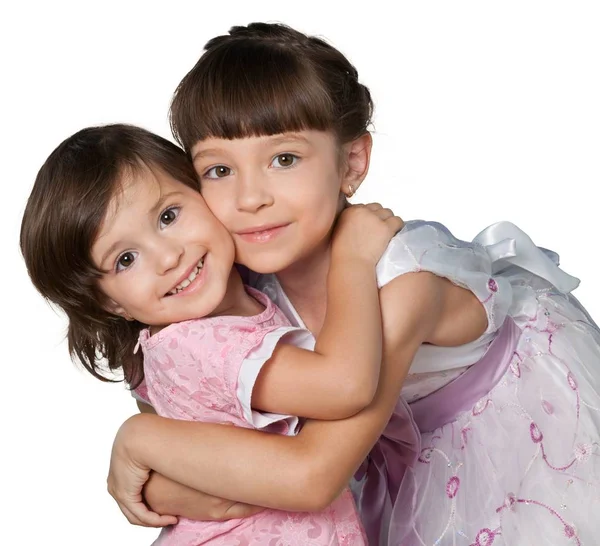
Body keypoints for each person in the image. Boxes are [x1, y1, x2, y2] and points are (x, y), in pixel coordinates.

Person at [106, 22, 600, 545]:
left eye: (284, 159)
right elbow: (198, 432)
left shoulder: (406, 284)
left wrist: (142, 443)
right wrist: (157, 476)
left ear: (352, 163)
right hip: (365, 452)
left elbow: (310, 475)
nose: (250, 198)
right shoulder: (231, 275)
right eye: (219, 170)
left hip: (506, 441)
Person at [20, 123, 409, 544]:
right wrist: (353, 259)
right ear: (109, 302)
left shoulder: (214, 315)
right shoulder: (198, 345)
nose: (168, 257)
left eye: (169, 217)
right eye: (126, 259)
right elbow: (344, 385)